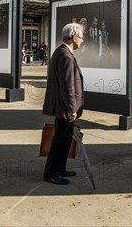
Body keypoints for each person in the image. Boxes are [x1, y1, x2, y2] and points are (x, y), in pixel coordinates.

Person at [42, 23, 84, 185]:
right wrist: (72, 109)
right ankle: (52, 173)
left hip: (62, 106)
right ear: (74, 38)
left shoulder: (61, 51)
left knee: (65, 140)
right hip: (64, 108)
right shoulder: (65, 55)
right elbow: (68, 86)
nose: (82, 40)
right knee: (60, 141)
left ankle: (60, 169)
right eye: (81, 37)